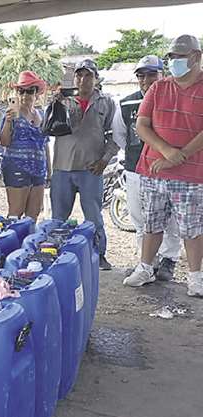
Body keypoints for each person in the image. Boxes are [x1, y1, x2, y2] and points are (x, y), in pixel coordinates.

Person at [124, 35, 203, 297]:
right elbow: (142, 125)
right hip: (153, 169)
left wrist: (180, 155)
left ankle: (195, 278)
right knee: (151, 223)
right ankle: (146, 268)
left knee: (192, 228)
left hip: (192, 174)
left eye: (181, 57)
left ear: (196, 57)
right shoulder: (159, 88)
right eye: (172, 57)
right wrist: (168, 152)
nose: (175, 62)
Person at [113, 55, 181, 281]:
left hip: (168, 170)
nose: (146, 80)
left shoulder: (174, 100)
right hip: (136, 170)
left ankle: (168, 259)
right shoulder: (126, 103)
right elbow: (121, 136)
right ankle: (147, 263)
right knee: (140, 218)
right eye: (141, 75)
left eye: (152, 74)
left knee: (169, 219)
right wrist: (137, 156)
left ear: (162, 75)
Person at [50, 58, 119, 270]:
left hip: (91, 169)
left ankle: (99, 255)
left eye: (88, 75)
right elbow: (48, 128)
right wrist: (55, 103)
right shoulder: (62, 100)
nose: (83, 79)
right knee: (58, 217)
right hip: (62, 168)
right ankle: (54, 252)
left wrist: (104, 160)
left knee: (94, 217)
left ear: (96, 78)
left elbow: (115, 135)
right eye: (79, 75)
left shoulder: (106, 102)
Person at [0, 71, 51, 220]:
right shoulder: (11, 114)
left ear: (36, 93)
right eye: (21, 90)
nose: (25, 95)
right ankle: (11, 243)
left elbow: (45, 145)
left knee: (33, 214)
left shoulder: (41, 114)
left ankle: (28, 243)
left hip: (39, 170)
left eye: (30, 90)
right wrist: (8, 122)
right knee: (16, 213)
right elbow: (4, 142)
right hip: (16, 166)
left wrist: (50, 171)